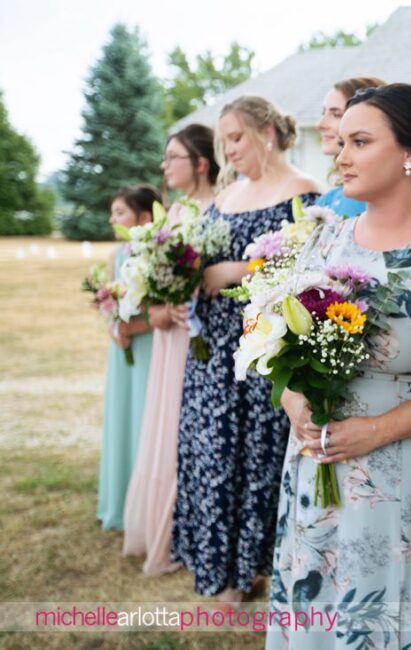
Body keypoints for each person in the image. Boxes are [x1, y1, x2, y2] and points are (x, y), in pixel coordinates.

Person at [266, 83, 411, 649]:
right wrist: (294, 401)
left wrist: (378, 430)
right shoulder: (323, 240)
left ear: (410, 152)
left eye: (359, 142)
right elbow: (278, 342)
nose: (340, 156)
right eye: (340, 142)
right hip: (322, 462)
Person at [170, 96, 320, 601]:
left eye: (235, 138)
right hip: (211, 347)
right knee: (211, 452)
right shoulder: (228, 196)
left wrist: (238, 270)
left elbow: (310, 269)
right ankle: (216, 565)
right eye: (223, 141)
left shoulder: (302, 191)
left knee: (254, 458)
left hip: (262, 344)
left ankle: (250, 572)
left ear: (267, 133)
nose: (228, 150)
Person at [122, 124, 219, 576]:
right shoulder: (173, 214)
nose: (164, 167)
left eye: (173, 157)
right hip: (170, 333)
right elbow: (146, 277)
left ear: (200, 161)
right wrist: (157, 307)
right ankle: (166, 527)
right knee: (165, 424)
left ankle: (197, 528)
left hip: (202, 336)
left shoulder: (223, 209)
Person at [97, 185, 161, 530]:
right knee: (122, 417)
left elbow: (167, 308)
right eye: (113, 212)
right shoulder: (116, 256)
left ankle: (145, 505)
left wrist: (134, 327)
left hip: (150, 346)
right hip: (122, 350)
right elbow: (106, 301)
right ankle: (118, 501)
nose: (113, 219)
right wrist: (113, 326)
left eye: (120, 212)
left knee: (143, 419)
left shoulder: (157, 254)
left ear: (145, 217)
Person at [314, 76, 385, 217]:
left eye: (336, 114)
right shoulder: (329, 199)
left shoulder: (368, 197)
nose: (320, 124)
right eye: (323, 112)